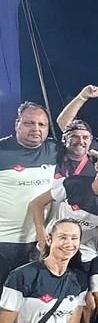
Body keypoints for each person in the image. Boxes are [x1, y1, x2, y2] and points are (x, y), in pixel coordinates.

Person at [29, 146, 98, 270]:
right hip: (51, 249)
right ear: (97, 166)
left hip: (86, 258)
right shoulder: (73, 184)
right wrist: (41, 234)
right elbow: (37, 203)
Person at [0, 102, 59, 292]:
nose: (36, 129)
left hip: (40, 242)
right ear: (17, 123)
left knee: (31, 299)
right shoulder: (2, 151)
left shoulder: (54, 150)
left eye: (42, 125)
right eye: (29, 123)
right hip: (4, 241)